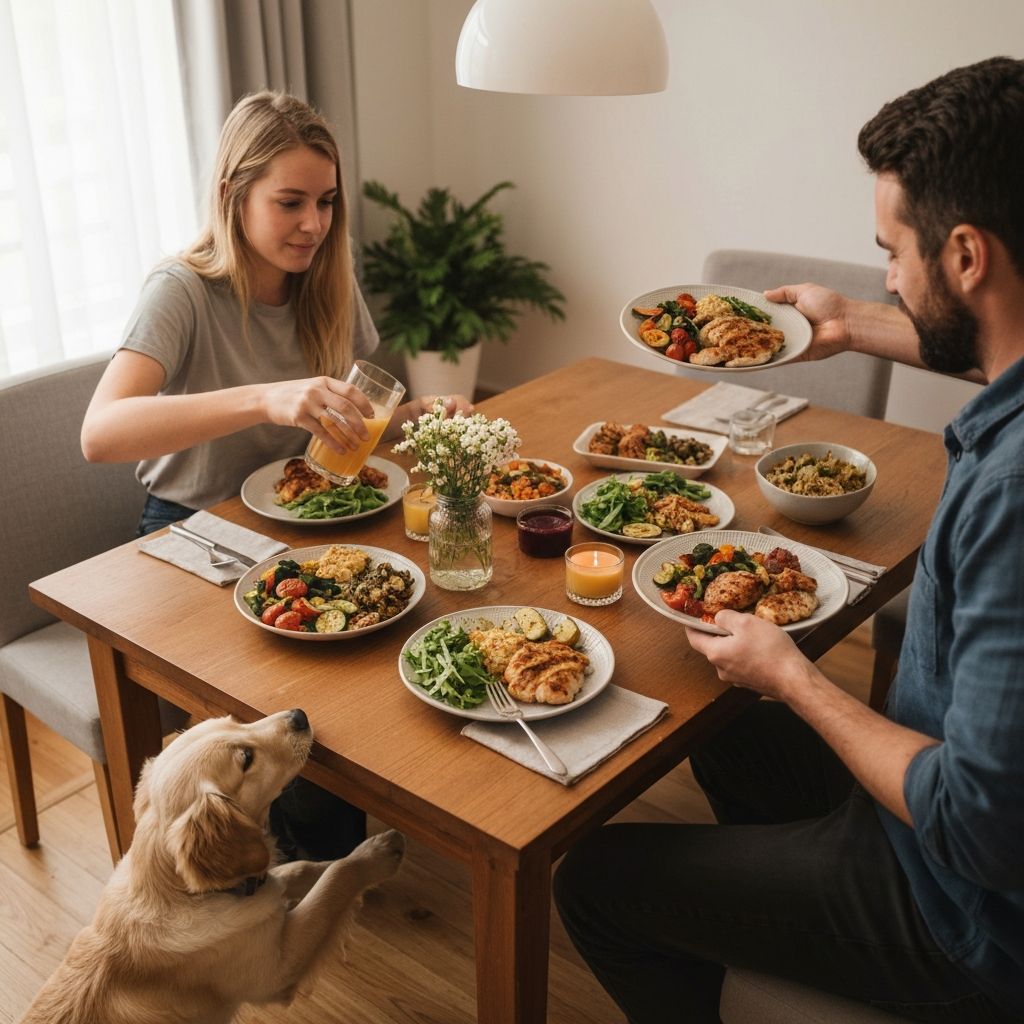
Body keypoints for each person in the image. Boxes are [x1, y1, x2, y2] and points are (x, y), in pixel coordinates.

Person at [554, 56, 1024, 1023]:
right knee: (727, 727)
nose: (888, 277)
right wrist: (849, 322)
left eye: (892, 253)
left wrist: (800, 680)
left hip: (961, 912)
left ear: (967, 256)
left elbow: (979, 827)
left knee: (592, 880)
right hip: (930, 814)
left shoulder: (1014, 496)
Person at [81, 91, 471, 859]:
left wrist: (419, 415)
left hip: (296, 522)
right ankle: (306, 863)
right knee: (322, 718)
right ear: (233, 194)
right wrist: (264, 396)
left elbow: (344, 423)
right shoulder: (181, 291)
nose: (314, 224)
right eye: (290, 202)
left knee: (406, 629)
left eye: (326, 202)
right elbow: (101, 432)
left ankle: (341, 846)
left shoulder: (325, 279)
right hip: (192, 536)